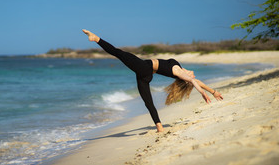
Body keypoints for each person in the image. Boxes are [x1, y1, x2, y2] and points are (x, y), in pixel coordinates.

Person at [82, 29, 223, 132]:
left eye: (191, 77)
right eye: (193, 76)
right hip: (144, 74)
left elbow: (193, 82)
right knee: (148, 102)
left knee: (119, 53)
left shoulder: (178, 71)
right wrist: (213, 91)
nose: (193, 75)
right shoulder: (180, 70)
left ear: (186, 79)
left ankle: (96, 38)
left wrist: (201, 92)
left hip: (144, 68)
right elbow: (197, 82)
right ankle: (159, 127)